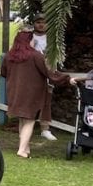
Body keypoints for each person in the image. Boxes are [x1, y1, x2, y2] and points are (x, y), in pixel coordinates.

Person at [1, 29, 76, 158]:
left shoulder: (9, 56)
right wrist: (67, 79)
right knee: (30, 121)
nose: (34, 42)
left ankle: (25, 147)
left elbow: (3, 73)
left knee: (22, 120)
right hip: (31, 93)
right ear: (29, 41)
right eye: (32, 40)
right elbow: (50, 73)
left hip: (14, 92)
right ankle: (22, 150)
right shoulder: (35, 55)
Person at [30, 14, 57, 142]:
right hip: (32, 73)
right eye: (38, 22)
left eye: (44, 22)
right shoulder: (29, 37)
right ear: (34, 23)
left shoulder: (51, 38)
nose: (41, 25)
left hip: (47, 71)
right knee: (30, 100)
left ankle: (45, 129)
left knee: (46, 101)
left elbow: (55, 55)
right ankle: (27, 127)